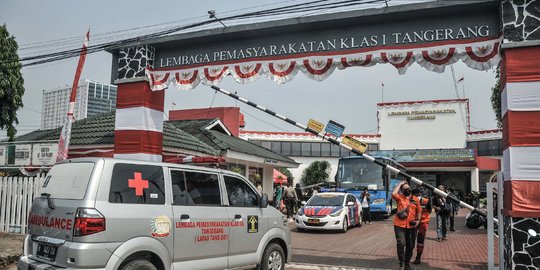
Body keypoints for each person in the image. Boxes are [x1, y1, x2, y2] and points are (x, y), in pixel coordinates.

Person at [392, 181, 421, 270]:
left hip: (411, 226)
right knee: (401, 243)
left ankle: (407, 264)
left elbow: (419, 211)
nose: (407, 189)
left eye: (408, 188)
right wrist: (400, 184)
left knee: (410, 246)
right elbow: (393, 193)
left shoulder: (415, 199)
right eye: (405, 188)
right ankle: (401, 263)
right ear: (402, 190)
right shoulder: (399, 198)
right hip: (399, 225)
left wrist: (418, 221)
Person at [412, 188, 432, 265]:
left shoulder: (425, 201)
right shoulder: (425, 200)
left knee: (419, 240)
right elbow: (429, 211)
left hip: (422, 222)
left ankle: (418, 258)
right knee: (415, 240)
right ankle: (415, 257)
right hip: (415, 222)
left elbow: (429, 210)